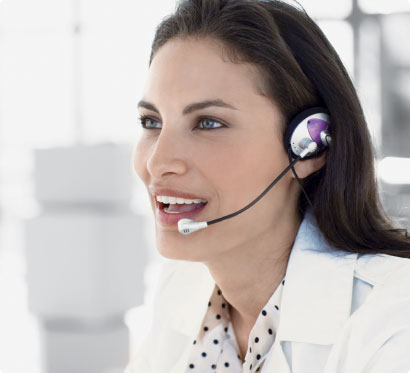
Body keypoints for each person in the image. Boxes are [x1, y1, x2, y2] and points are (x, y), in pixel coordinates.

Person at [127, 0, 410, 372]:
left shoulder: (393, 325)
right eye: (151, 122)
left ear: (308, 145)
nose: (158, 163)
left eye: (208, 123)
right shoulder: (183, 284)